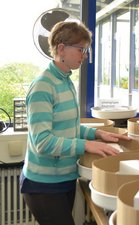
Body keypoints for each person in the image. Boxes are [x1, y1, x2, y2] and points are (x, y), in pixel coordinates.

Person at [20, 21, 131, 225]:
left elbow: (67, 127)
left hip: (64, 179)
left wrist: (96, 135)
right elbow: (42, 142)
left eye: (85, 50)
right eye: (81, 49)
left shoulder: (66, 80)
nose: (85, 55)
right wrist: (86, 145)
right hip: (43, 185)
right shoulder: (43, 86)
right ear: (61, 48)